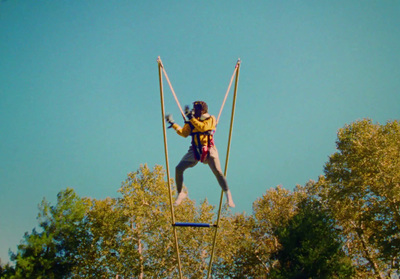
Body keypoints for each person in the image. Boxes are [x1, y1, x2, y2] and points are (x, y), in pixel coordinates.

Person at [165, 101, 235, 208]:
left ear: (202, 110)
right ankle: (180, 193)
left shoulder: (211, 119)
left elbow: (203, 128)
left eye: (195, 109)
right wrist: (173, 124)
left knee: (218, 172)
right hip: (195, 150)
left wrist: (191, 118)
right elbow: (184, 133)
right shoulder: (192, 121)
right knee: (178, 168)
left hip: (209, 148)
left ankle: (228, 195)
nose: (193, 111)